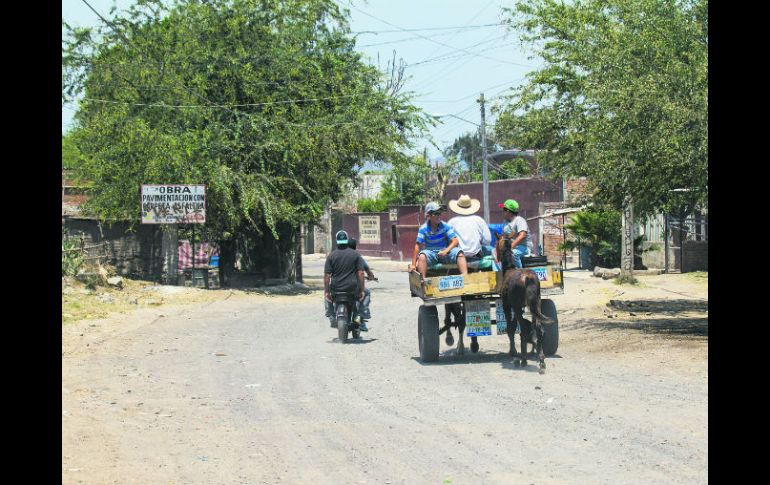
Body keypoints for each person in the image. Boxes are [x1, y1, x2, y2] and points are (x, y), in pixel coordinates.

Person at [408, 201, 468, 281]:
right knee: (422, 256)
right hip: (431, 254)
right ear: (428, 215)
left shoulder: (445, 226)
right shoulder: (423, 229)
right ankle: (423, 282)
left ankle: (465, 278)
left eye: (440, 213)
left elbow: (455, 241)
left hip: (445, 253)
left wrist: (446, 251)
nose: (439, 215)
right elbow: (417, 246)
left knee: (459, 252)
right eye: (436, 213)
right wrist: (413, 264)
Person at [324, 230, 367, 330]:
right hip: (352, 288)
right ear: (347, 240)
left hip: (336, 288)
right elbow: (361, 273)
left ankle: (331, 316)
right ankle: (358, 317)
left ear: (336, 241)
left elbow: (327, 276)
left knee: (326, 296)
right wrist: (362, 290)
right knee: (363, 296)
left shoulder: (331, 256)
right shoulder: (356, 255)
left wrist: (327, 291)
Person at [447, 194, 492, 261]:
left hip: (458, 255)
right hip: (476, 255)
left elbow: (447, 240)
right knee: (491, 249)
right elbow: (487, 240)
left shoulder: (452, 222)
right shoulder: (479, 220)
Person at [498, 199, 534, 269]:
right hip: (512, 247)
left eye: (504, 210)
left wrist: (510, 247)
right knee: (495, 253)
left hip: (524, 247)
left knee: (513, 254)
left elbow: (522, 235)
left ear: (508, 211)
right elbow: (505, 237)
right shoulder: (505, 222)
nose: (502, 212)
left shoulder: (519, 220)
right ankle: (500, 273)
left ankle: (520, 272)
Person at [348, 238, 376, 322]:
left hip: (340, 285)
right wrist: (371, 276)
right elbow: (366, 269)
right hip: (354, 286)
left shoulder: (339, 254)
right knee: (367, 293)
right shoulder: (357, 256)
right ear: (355, 246)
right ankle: (360, 314)